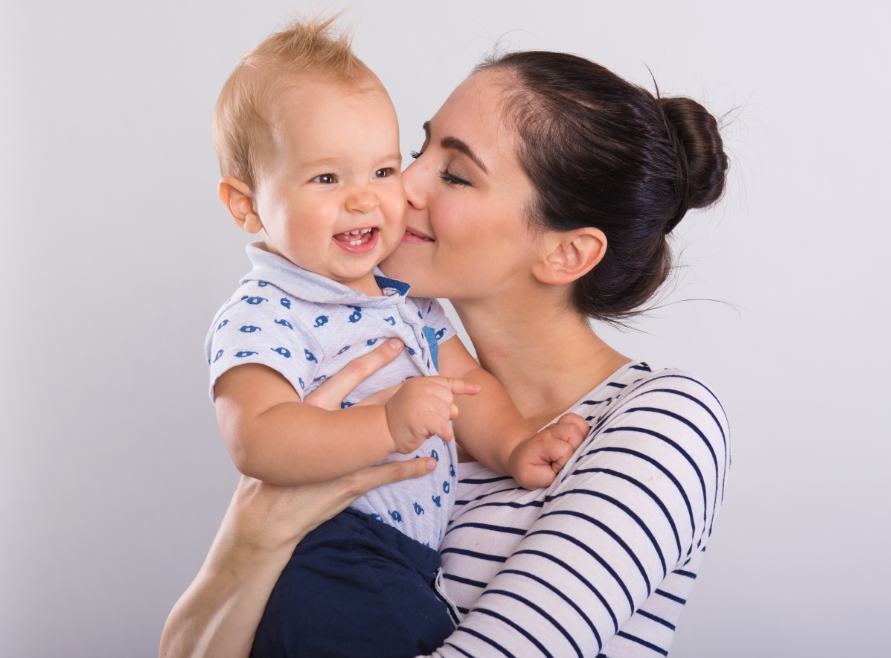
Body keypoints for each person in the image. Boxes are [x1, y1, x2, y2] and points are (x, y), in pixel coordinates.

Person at [161, 44, 731, 658]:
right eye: (415, 152)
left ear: (565, 253)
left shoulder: (660, 425)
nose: (397, 187)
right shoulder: (371, 388)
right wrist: (253, 537)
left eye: (454, 174)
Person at [205, 18, 588, 658]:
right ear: (245, 205)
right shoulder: (267, 310)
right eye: (326, 179)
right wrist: (385, 426)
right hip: (330, 550)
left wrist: (517, 444)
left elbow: (468, 387)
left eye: (383, 169)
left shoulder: (405, 299)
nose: (367, 200)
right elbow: (257, 438)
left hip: (405, 559)